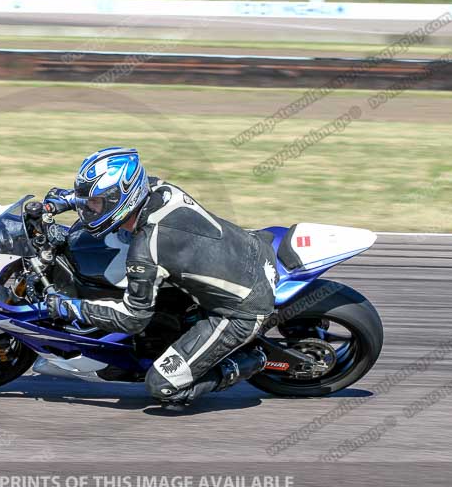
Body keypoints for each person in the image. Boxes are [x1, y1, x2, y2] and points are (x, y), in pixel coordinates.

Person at [44, 147, 278, 408]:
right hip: (250, 248)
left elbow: (132, 319)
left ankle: (250, 360)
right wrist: (67, 200)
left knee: (162, 386)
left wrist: (70, 307)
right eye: (87, 201)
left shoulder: (147, 248)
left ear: (121, 199)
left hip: (241, 308)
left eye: (95, 203)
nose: (89, 209)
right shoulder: (157, 189)